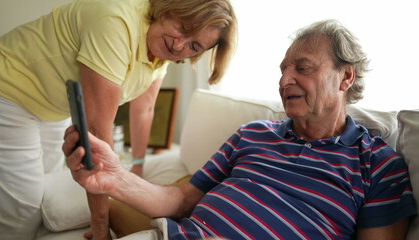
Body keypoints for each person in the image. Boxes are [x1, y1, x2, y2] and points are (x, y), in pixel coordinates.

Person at [63, 19, 416, 239]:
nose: (284, 79)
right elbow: (181, 199)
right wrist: (113, 178)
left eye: (302, 68)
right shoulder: (253, 133)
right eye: (283, 68)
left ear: (346, 76)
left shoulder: (378, 164)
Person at [0, 0, 237, 239]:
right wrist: (101, 227)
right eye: (183, 27)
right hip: (5, 90)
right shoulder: (115, 21)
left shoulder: (162, 48)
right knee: (21, 207)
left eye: (194, 45)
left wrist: (138, 167)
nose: (179, 45)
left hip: (52, 107)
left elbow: (145, 109)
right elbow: (97, 132)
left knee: (46, 188)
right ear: (170, 8)